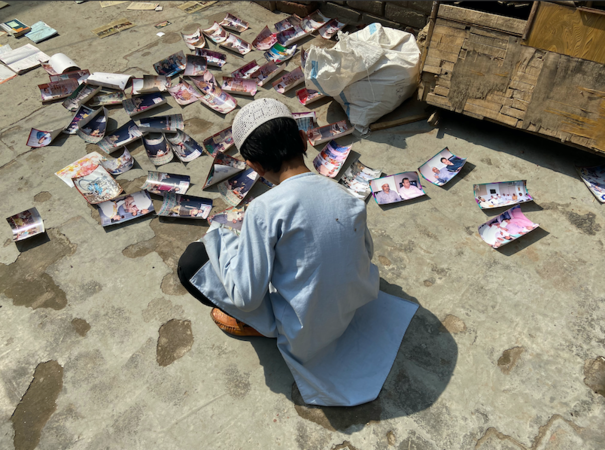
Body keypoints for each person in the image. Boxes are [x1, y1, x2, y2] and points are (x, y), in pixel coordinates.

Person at [177, 98, 418, 407]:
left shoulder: (263, 209)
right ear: (305, 140)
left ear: (254, 166)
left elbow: (246, 297)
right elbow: (363, 252)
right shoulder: (346, 194)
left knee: (193, 260)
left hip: (305, 330)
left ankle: (257, 327)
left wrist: (218, 240)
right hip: (353, 304)